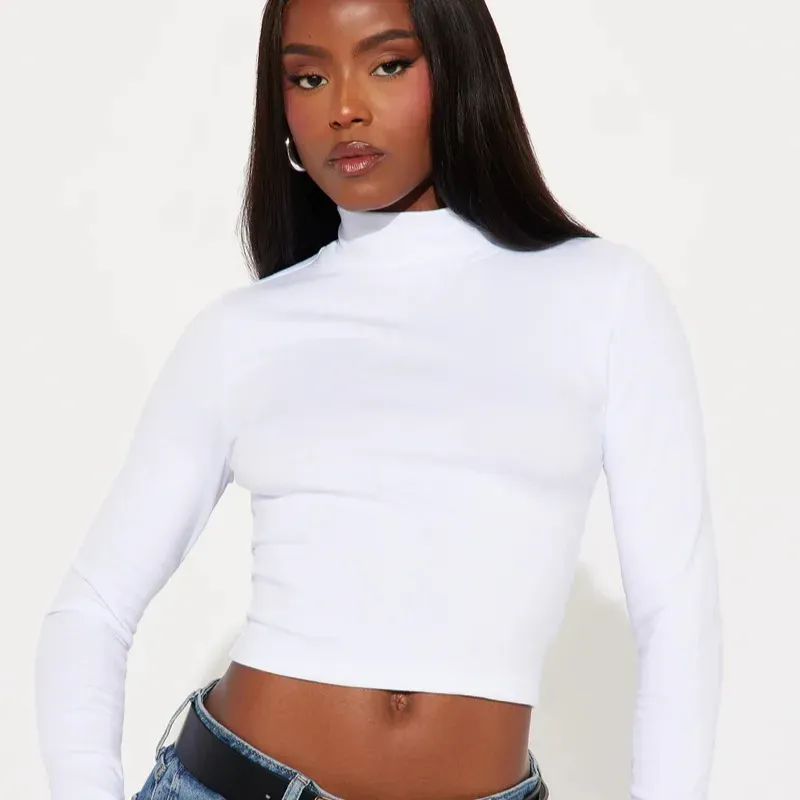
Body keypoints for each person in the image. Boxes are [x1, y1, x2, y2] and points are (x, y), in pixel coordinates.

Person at [34, 0, 723, 798]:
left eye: (388, 64)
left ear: (457, 69)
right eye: (307, 77)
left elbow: (677, 616)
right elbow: (91, 609)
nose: (344, 107)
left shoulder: (604, 296)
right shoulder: (244, 331)